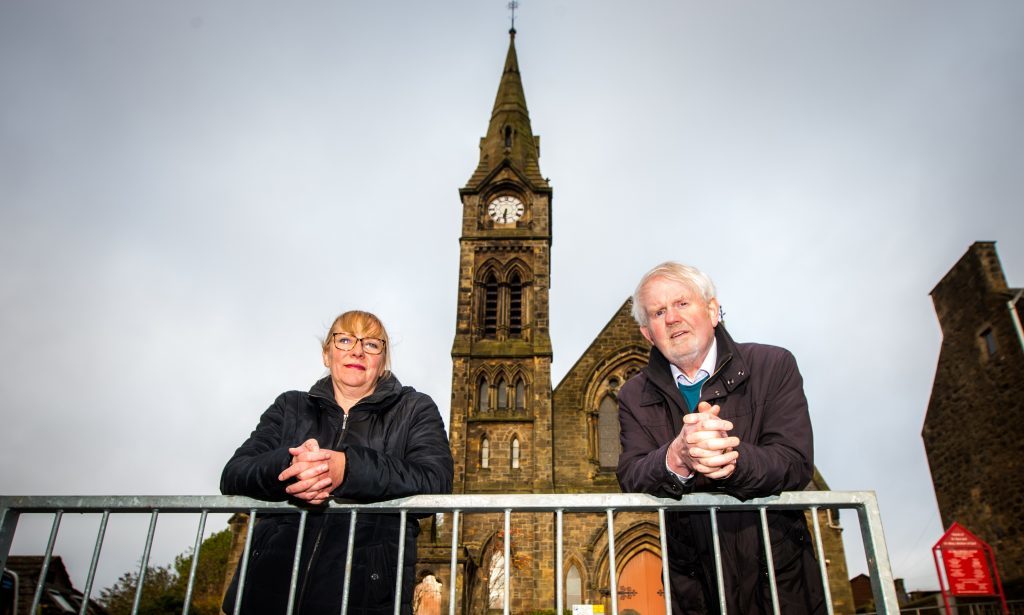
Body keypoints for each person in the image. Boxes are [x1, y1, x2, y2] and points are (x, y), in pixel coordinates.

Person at [617, 262, 825, 615]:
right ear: (647, 333)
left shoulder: (773, 365)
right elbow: (631, 473)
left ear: (712, 310)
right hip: (693, 583)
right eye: (659, 311)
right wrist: (677, 456)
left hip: (778, 574)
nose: (671, 318)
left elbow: (795, 462)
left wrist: (730, 459)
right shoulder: (632, 394)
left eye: (682, 303)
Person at [220, 310, 454, 615]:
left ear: (383, 361)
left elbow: (435, 480)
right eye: (344, 339)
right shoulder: (290, 406)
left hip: (364, 596)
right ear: (326, 354)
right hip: (266, 592)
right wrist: (293, 467)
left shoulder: (414, 409)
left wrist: (349, 470)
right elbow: (234, 473)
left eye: (371, 344)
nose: (357, 350)